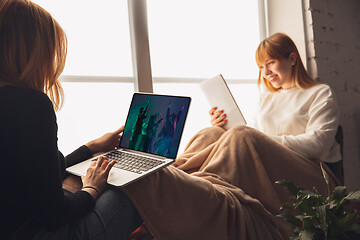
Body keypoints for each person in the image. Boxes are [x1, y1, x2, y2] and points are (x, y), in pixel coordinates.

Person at [0, 1, 141, 239]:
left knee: (89, 170)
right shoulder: (29, 104)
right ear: (33, 52)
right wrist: (91, 189)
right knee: (136, 186)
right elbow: (52, 214)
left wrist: (90, 148)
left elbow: (31, 176)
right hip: (32, 232)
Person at [209, 32, 343, 183]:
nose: (265, 73)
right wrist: (224, 127)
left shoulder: (320, 93)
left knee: (242, 135)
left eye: (270, 62)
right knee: (210, 133)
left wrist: (262, 142)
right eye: (261, 67)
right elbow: (252, 133)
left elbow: (318, 144)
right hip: (268, 167)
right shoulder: (266, 98)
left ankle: (205, 183)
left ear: (292, 59)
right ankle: (185, 174)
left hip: (310, 171)